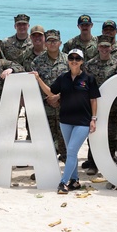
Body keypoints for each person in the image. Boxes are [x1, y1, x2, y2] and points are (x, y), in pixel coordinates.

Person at [38, 48, 100, 193]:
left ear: (82, 61)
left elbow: (93, 100)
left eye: (77, 58)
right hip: (65, 120)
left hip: (83, 121)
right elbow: (51, 92)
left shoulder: (89, 79)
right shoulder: (63, 78)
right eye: (71, 58)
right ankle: (75, 181)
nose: (74, 61)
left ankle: (63, 183)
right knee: (71, 152)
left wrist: (94, 119)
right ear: (68, 61)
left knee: (71, 150)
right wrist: (38, 79)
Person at [84, 34, 117, 173]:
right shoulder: (89, 65)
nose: (104, 49)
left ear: (111, 47)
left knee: (112, 135)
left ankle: (111, 162)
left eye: (107, 46)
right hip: (94, 107)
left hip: (113, 107)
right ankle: (93, 163)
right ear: (97, 47)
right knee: (94, 135)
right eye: (101, 46)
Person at [30, 29, 68, 160]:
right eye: (49, 41)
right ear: (45, 44)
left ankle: (67, 170)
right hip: (45, 107)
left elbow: (75, 82)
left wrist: (59, 96)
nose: (52, 43)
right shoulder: (36, 62)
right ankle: (45, 169)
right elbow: (33, 86)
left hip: (65, 106)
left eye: (55, 41)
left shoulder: (69, 60)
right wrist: (48, 99)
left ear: (60, 43)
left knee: (66, 140)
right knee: (45, 140)